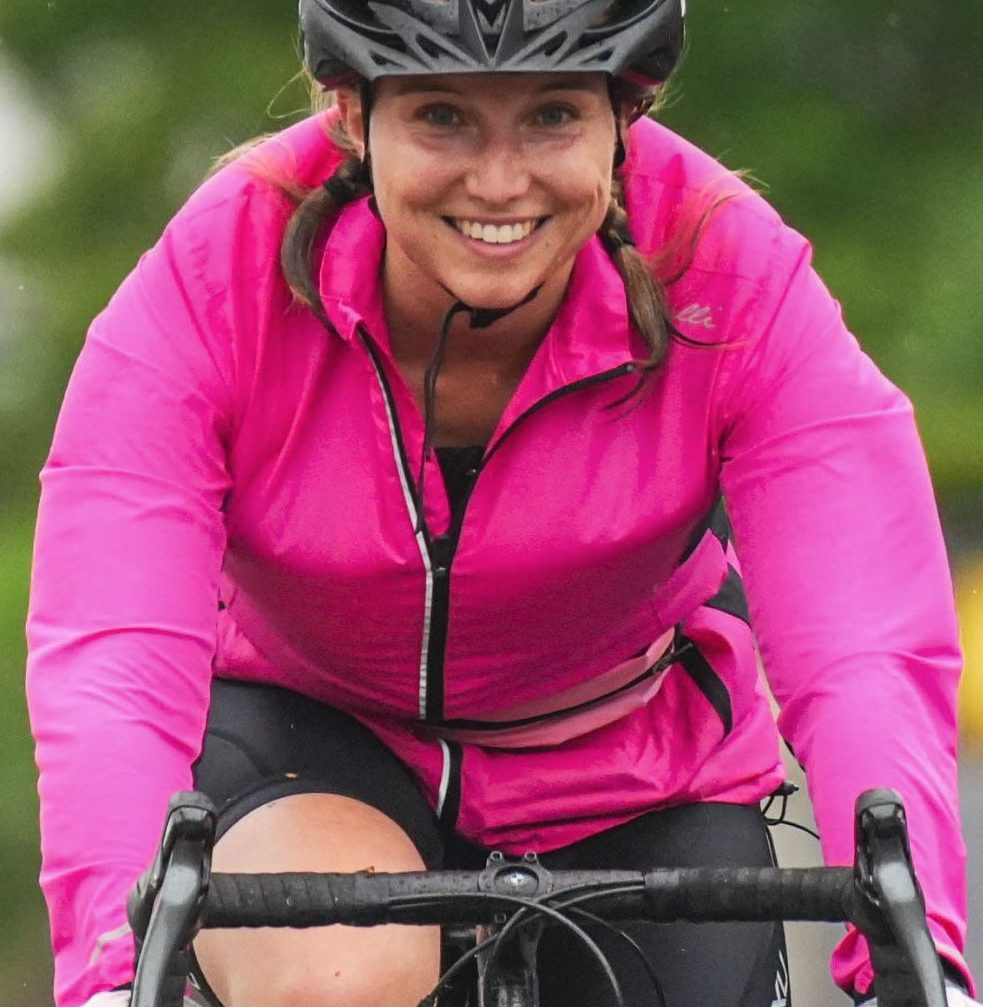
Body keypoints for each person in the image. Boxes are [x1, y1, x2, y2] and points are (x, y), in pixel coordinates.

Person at [26, 1, 979, 1006]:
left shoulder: (728, 269)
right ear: (350, 114)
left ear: (625, 114)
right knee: (338, 975)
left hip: (626, 764)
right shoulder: (219, 271)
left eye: (551, 116)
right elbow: (113, 647)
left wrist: (913, 956)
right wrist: (115, 967)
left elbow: (862, 639)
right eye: (441, 116)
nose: (497, 181)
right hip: (309, 735)